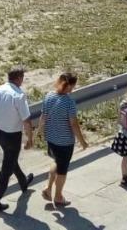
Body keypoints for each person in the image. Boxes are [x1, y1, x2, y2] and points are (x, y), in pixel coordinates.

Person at [0, 66, 35, 212]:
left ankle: (23, 182)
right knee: (6, 171)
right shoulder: (19, 95)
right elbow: (26, 120)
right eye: (22, 78)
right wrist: (29, 139)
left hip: (1, 134)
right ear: (19, 78)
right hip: (13, 136)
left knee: (10, 158)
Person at [37, 72, 88, 207]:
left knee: (57, 162)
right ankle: (58, 197)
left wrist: (39, 131)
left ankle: (48, 189)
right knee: (62, 170)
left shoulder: (49, 96)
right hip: (65, 142)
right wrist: (82, 141)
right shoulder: (69, 102)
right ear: (71, 86)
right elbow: (74, 124)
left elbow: (43, 117)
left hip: (51, 138)